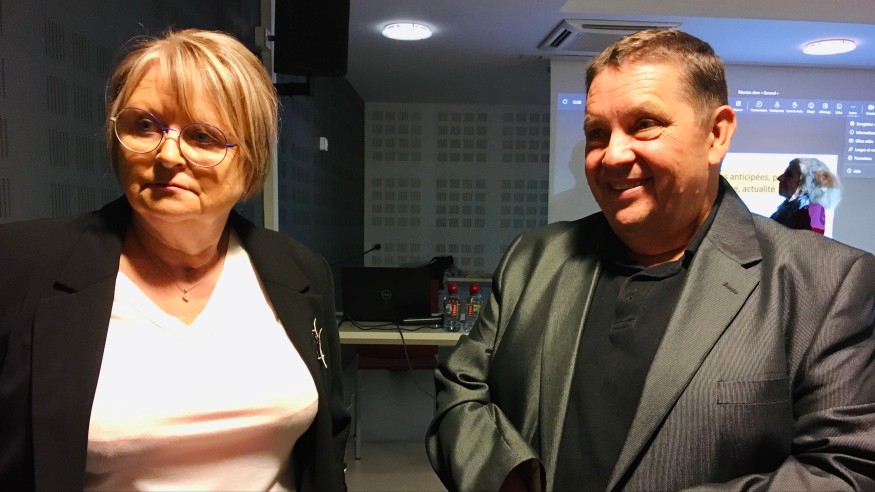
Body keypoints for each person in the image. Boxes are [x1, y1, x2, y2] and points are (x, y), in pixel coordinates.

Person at [426, 28, 875, 491]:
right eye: (597, 133)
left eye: (644, 124)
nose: (612, 156)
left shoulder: (827, 283)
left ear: (716, 134)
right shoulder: (531, 260)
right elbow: (459, 389)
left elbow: (845, 471)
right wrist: (509, 479)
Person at [0, 29, 349, 491]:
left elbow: (327, 440)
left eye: (202, 136)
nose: (166, 155)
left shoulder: (301, 270)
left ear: (252, 157)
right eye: (144, 126)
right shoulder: (21, 264)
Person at [770, 157, 841, 234]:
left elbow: (810, 241)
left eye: (789, 175)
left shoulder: (814, 210)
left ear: (806, 184)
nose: (780, 178)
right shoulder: (785, 209)